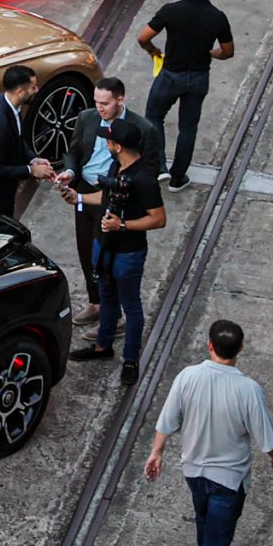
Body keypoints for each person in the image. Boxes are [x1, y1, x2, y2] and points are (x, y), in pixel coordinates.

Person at [146, 318, 273, 546]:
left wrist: (156, 453)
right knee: (219, 541)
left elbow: (167, 420)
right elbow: (266, 438)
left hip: (194, 471)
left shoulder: (187, 377)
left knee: (204, 520)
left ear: (209, 345)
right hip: (229, 481)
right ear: (241, 348)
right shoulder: (248, 390)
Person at [66, 118, 164, 386]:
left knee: (130, 306)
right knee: (107, 296)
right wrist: (80, 198)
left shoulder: (144, 178)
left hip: (128, 253)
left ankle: (131, 359)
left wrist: (122, 225)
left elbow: (158, 218)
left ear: (116, 146)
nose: (106, 144)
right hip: (103, 244)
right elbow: (106, 195)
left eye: (108, 140)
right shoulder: (116, 165)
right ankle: (102, 345)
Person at [57, 79, 163, 325]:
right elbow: (73, 152)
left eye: (104, 103)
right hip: (85, 189)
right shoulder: (87, 118)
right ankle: (96, 303)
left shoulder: (143, 129)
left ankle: (113, 316)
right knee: (86, 248)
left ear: (120, 100)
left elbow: (149, 170)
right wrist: (70, 173)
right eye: (96, 101)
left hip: (116, 198)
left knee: (109, 256)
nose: (99, 107)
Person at [138, 0, 234, 189]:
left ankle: (160, 168)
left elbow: (143, 37)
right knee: (188, 128)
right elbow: (228, 52)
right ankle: (178, 177)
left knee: (154, 115)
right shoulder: (218, 17)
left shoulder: (171, 10)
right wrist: (211, 52)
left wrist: (153, 51)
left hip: (171, 75)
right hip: (199, 78)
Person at [0, 64, 50, 218]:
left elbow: (17, 139)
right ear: (20, 92)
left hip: (4, 191)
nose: (37, 90)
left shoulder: (8, 104)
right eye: (33, 87)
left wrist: (33, 159)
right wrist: (31, 170)